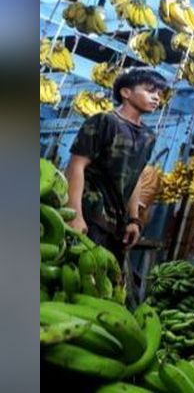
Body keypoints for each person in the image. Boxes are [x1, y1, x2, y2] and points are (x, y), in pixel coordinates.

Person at [65, 68, 166, 264]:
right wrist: (74, 214)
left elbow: (135, 177)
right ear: (126, 92)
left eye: (159, 94)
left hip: (118, 224)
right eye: (149, 91)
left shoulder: (148, 136)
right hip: (91, 214)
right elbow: (76, 166)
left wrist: (134, 219)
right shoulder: (104, 121)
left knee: (107, 281)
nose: (156, 98)